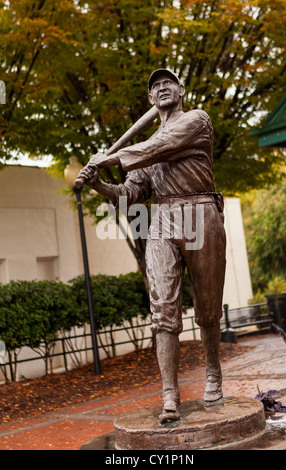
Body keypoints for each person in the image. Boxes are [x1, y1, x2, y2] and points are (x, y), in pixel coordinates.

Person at [76, 69, 226, 423]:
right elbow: (129, 196)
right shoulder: (143, 153)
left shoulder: (196, 121)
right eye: (155, 86)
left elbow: (159, 146)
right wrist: (99, 183)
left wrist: (107, 158)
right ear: (150, 99)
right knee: (162, 309)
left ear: (181, 90)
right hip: (164, 219)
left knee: (207, 309)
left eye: (167, 83)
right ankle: (170, 396)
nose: (161, 88)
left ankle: (213, 373)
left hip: (201, 211)